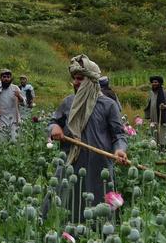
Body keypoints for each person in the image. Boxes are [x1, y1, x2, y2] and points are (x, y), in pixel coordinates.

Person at [46, 54, 128, 222]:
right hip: (72, 162)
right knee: (68, 203)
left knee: (99, 207)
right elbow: (54, 121)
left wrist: (120, 150)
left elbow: (118, 134)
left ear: (91, 80)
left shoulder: (108, 105)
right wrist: (54, 128)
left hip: (100, 166)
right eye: (74, 79)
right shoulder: (68, 103)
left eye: (80, 79)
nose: (75, 83)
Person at [0, 69, 25, 141]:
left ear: (11, 78)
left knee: (14, 141)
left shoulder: (15, 88)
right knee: (0, 141)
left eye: (8, 77)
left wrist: (19, 96)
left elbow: (23, 103)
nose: (6, 79)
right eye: (4, 77)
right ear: (0, 78)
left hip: (13, 119)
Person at [144, 75, 166, 148]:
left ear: (159, 83)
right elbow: (149, 105)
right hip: (153, 119)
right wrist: (148, 116)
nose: (154, 84)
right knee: (154, 138)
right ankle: (156, 151)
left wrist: (164, 106)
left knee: (163, 137)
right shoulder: (151, 93)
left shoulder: (165, 92)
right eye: (153, 82)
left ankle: (164, 150)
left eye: (156, 82)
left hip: (162, 119)